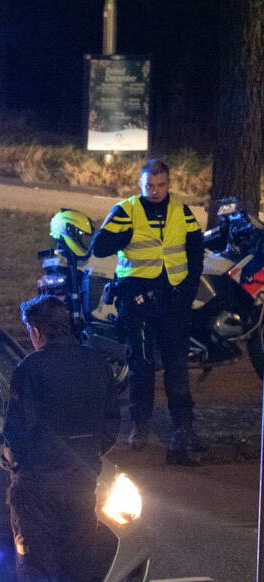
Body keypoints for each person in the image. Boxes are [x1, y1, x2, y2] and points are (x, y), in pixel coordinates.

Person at [2, 295, 120, 582]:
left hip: (38, 489)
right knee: (76, 581)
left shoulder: (31, 369)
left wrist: (20, 461)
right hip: (83, 485)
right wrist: (86, 455)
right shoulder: (95, 363)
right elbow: (111, 422)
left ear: (36, 331)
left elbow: (18, 432)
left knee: (38, 581)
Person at [90, 158, 205, 466]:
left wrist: (187, 292)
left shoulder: (182, 210)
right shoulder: (126, 210)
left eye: (161, 185)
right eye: (149, 186)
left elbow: (196, 252)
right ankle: (139, 426)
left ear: (169, 184)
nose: (155, 191)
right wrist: (124, 235)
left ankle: (183, 427)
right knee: (141, 367)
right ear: (140, 185)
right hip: (137, 301)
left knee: (177, 368)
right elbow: (98, 247)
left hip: (173, 302)